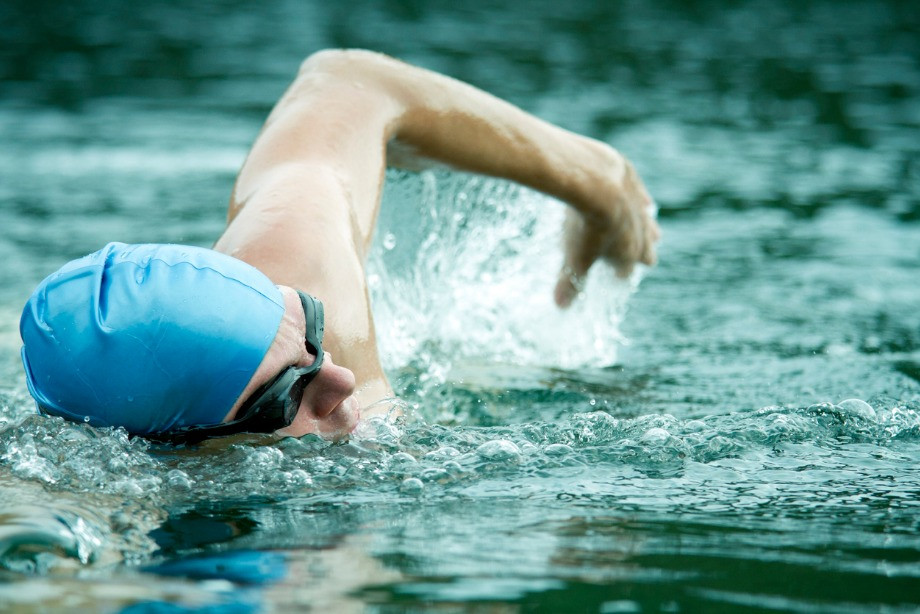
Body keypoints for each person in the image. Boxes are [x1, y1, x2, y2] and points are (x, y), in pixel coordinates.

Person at [19, 49, 659, 445]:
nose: (341, 379)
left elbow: (347, 81)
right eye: (281, 396)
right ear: (163, 447)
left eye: (308, 336)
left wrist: (603, 187)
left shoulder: (306, 277)